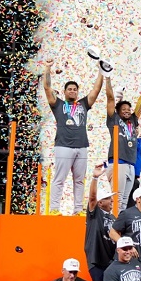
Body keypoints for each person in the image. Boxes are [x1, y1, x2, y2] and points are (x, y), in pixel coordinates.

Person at [42, 60, 104, 215]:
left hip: (82, 146)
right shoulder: (58, 104)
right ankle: (54, 209)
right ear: (64, 92)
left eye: (75, 89)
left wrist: (101, 71)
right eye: (69, 89)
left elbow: (96, 90)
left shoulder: (83, 104)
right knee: (59, 178)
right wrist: (48, 68)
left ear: (77, 92)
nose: (72, 91)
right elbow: (47, 87)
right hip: (63, 145)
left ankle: (78, 210)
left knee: (79, 180)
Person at [105, 73, 141, 211]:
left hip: (130, 165)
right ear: (117, 111)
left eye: (128, 109)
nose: (127, 111)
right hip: (118, 163)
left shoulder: (132, 121)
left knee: (124, 201)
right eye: (123, 109)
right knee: (117, 199)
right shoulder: (114, 119)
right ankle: (113, 224)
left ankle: (120, 224)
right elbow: (110, 99)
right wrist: (107, 77)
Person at [84, 166, 116, 281]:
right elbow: (92, 198)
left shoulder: (114, 218)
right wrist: (95, 178)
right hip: (96, 261)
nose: (112, 201)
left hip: (110, 262)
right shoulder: (94, 214)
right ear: (100, 202)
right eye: (109, 199)